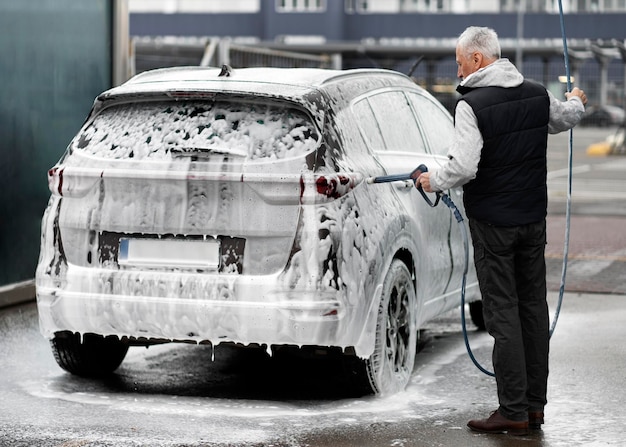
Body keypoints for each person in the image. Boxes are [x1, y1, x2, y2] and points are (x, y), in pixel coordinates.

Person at [417, 26, 587, 435]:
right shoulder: (535, 92)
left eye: (459, 62)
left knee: (503, 315)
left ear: (477, 59)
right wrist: (577, 102)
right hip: (532, 221)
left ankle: (511, 409)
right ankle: (533, 407)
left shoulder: (471, 105)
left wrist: (430, 180)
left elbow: (462, 168)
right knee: (531, 310)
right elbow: (564, 119)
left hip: (494, 225)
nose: (457, 71)